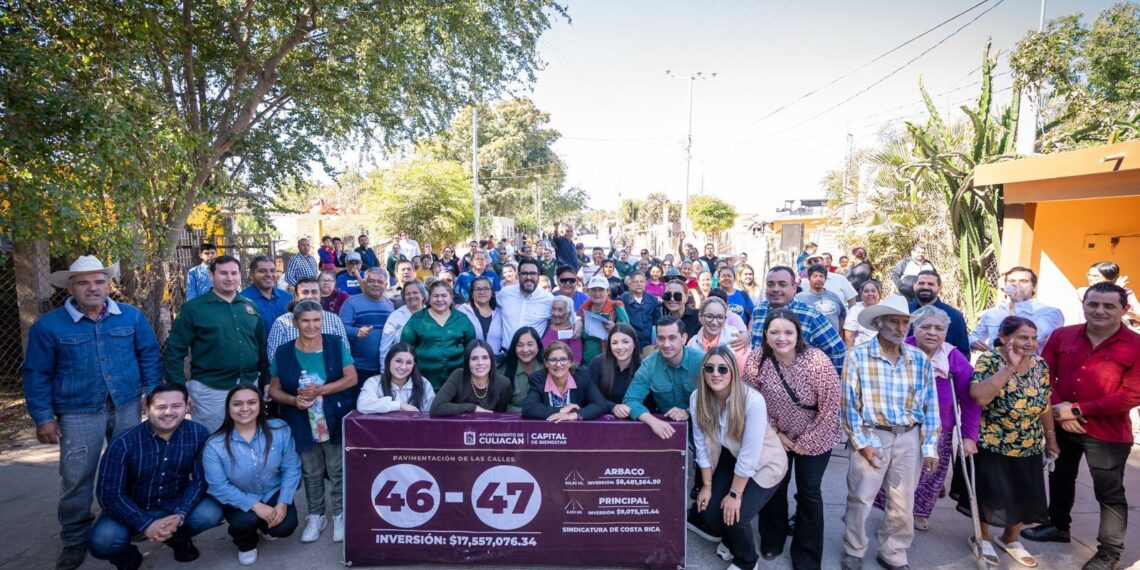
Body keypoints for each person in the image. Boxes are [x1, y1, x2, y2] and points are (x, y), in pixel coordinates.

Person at [22, 256, 162, 570]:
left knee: (131, 467)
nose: (93, 288)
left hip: (126, 403)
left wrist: (153, 393)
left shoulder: (131, 317)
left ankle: (132, 521)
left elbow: (149, 355)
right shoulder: (49, 326)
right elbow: (36, 373)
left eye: (99, 281)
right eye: (83, 282)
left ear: (109, 285)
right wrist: (43, 417)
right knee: (77, 477)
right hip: (77, 411)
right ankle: (75, 538)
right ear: (71, 287)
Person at [1021, 282, 1140, 570]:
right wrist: (1060, 411)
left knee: (1109, 493)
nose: (1100, 311)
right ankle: (1058, 526)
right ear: (1084, 305)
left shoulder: (1136, 346)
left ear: (1124, 309)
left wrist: (1076, 410)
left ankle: (1109, 554)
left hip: (1108, 433)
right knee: (1060, 478)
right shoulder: (1062, 336)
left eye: (1109, 306)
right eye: (1093, 304)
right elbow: (1042, 375)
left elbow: (1132, 394)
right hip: (1061, 425)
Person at [839, 295, 940, 570]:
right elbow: (848, 405)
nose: (900, 328)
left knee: (903, 501)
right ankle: (854, 548)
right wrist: (861, 443)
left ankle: (893, 552)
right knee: (861, 496)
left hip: (909, 436)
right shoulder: (858, 356)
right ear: (879, 323)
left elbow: (931, 405)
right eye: (894, 321)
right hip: (873, 433)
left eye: (905, 322)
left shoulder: (919, 359)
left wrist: (929, 446)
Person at [742, 309, 841, 569]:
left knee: (809, 492)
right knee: (774, 485)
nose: (781, 338)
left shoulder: (816, 361)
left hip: (816, 434)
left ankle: (806, 555)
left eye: (788, 332)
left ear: (798, 334)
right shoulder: (757, 360)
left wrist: (804, 442)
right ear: (765, 335)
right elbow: (749, 400)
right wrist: (775, 432)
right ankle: (772, 540)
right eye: (774, 332)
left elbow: (831, 407)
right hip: (775, 434)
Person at [89, 384, 222, 570]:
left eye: (176, 406)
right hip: (133, 506)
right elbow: (109, 494)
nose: (169, 412)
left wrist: (181, 513)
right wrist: (145, 523)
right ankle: (127, 557)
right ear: (146, 408)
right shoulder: (124, 443)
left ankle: (178, 538)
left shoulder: (198, 433)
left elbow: (200, 480)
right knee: (102, 541)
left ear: (187, 407)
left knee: (211, 512)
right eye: (160, 407)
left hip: (175, 503)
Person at [958, 316, 1057, 568]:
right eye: (1024, 337)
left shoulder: (1039, 364)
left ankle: (1010, 539)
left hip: (1029, 443)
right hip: (993, 440)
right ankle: (981, 537)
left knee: (1025, 493)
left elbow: (1044, 402)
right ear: (1004, 337)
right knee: (987, 494)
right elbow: (978, 397)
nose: (1030, 343)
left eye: (1034, 338)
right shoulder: (990, 360)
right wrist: (1009, 368)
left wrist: (1050, 437)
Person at [872, 305, 979, 531]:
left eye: (939, 328)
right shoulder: (900, 348)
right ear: (914, 328)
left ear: (946, 332)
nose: (932, 332)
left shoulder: (952, 356)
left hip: (939, 429)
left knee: (929, 476)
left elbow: (969, 399)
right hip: (900, 427)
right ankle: (893, 512)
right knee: (895, 474)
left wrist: (969, 436)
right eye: (925, 326)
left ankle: (919, 513)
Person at [268, 300, 358, 545]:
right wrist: (293, 400)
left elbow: (351, 378)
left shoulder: (335, 344)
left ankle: (340, 513)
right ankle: (317, 515)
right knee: (311, 471)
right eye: (305, 320)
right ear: (296, 322)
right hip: (300, 419)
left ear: (322, 320)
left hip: (333, 417)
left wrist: (321, 390)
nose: (311, 325)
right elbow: (274, 390)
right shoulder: (284, 352)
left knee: (337, 469)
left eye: (316, 320)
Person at [688, 346, 786, 570]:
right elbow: (700, 445)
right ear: (703, 371)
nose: (716, 373)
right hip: (733, 457)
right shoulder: (698, 398)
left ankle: (747, 560)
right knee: (711, 515)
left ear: (733, 371)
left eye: (723, 368)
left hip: (766, 463)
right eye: (709, 368)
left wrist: (734, 494)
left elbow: (750, 456)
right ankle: (729, 540)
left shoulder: (753, 400)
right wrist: (707, 485)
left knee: (736, 516)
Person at [164, 255, 268, 432]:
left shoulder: (249, 306)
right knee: (212, 439)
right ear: (211, 276)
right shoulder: (194, 309)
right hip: (211, 390)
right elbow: (174, 353)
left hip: (249, 385)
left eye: (234, 273)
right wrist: (179, 390)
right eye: (223, 273)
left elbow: (261, 348)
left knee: (247, 437)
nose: (230, 278)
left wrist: (266, 381)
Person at [203, 385, 301, 565]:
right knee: (245, 521)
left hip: (272, 491)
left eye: (252, 402)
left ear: (260, 404)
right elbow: (218, 486)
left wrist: (283, 502)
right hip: (240, 495)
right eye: (237, 404)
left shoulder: (279, 429)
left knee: (285, 526)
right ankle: (246, 543)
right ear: (228, 408)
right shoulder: (214, 445)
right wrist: (255, 505)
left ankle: (265, 527)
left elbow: (292, 468)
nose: (245, 409)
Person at [749, 266, 846, 374]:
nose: (776, 289)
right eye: (770, 284)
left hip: (800, 387)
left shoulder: (810, 315)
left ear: (794, 288)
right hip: (762, 383)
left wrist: (829, 381)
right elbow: (756, 347)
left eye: (782, 284)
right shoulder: (759, 310)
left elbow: (838, 350)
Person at [623, 316, 704, 440]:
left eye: (672, 338)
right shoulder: (649, 364)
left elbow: (717, 398)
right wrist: (652, 421)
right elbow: (630, 400)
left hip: (702, 427)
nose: (666, 344)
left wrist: (688, 412)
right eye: (661, 339)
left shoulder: (702, 361)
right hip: (665, 429)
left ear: (684, 338)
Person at [401, 280, 477, 390]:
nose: (440, 299)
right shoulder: (417, 319)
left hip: (457, 382)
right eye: (435, 296)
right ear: (429, 298)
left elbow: (471, 348)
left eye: (444, 296)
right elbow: (405, 349)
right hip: (424, 382)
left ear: (451, 298)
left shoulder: (462, 319)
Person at [970, 266, 1065, 354]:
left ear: (1034, 287)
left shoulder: (1050, 312)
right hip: (994, 367)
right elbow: (974, 336)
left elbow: (1028, 338)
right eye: (1012, 281)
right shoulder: (993, 313)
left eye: (1023, 281)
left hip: (1028, 368)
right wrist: (973, 342)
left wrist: (1019, 302)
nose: (1016, 285)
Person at [267, 277, 350, 365]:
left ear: (320, 295)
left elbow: (345, 352)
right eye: (305, 292)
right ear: (296, 295)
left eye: (314, 292)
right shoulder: (281, 322)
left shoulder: (334, 319)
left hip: (331, 374)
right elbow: (274, 358)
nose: (310, 296)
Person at [522, 341, 610, 421]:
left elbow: (600, 405)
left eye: (563, 359)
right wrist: (561, 410)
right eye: (553, 360)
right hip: (548, 433)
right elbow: (528, 408)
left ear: (570, 362)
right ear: (546, 363)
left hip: (578, 431)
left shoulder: (583, 376)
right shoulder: (538, 379)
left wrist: (574, 415)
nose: (558, 364)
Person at [429, 340, 513, 417]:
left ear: (491, 361)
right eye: (474, 359)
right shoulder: (458, 376)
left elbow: (501, 416)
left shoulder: (503, 384)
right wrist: (473, 408)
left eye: (485, 358)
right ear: (467, 362)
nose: (480, 363)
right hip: (459, 429)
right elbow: (435, 408)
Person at [339, 268, 394, 381]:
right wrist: (356, 332)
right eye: (371, 281)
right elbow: (340, 329)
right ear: (364, 282)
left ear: (386, 285)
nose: (375, 284)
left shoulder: (390, 305)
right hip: (358, 367)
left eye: (380, 282)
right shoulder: (351, 303)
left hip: (385, 367)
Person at [580, 324, 646, 418]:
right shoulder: (597, 363)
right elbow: (589, 397)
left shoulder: (643, 367)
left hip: (635, 421)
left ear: (634, 343)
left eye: (625, 342)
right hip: (601, 421)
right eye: (614, 343)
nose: (619, 347)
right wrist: (613, 407)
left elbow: (649, 402)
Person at [357, 343, 436, 413]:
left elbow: (430, 415)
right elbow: (363, 405)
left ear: (414, 365)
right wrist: (399, 405)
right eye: (398, 361)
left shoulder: (424, 383)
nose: (403, 367)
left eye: (409, 363)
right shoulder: (374, 382)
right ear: (389, 361)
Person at [909, 270, 970, 359]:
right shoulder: (904, 312)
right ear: (914, 286)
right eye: (921, 283)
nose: (925, 287)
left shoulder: (954, 316)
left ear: (939, 288)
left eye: (930, 284)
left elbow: (963, 352)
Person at [496, 259, 554, 352]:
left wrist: (578, 321)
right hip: (505, 354)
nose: (529, 277)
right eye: (524, 273)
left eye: (533, 273)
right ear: (518, 275)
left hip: (532, 356)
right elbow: (487, 304)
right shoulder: (505, 293)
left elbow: (565, 314)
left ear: (538, 276)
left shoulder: (548, 299)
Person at [578, 275, 631, 365]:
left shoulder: (617, 308)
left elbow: (629, 334)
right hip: (586, 365)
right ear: (588, 292)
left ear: (608, 291)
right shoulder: (583, 312)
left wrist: (615, 329)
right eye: (594, 289)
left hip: (610, 364)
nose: (597, 293)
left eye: (601, 290)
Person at [1077, 261, 1140, 330]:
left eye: (1095, 276)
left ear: (1109, 278)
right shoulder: (1083, 291)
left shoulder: (1126, 292)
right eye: (1089, 275)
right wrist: (1115, 290)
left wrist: (1126, 310)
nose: (1090, 278)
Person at [688, 297, 748, 369]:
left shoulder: (737, 342)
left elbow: (742, 377)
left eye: (720, 317)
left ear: (725, 319)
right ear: (700, 317)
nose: (714, 322)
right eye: (709, 316)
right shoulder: (692, 343)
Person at [241, 255, 293, 336]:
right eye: (262, 271)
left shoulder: (287, 298)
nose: (269, 275)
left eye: (272, 271)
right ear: (251, 275)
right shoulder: (242, 300)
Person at [377, 280, 426, 367]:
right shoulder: (395, 316)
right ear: (403, 297)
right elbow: (385, 348)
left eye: (415, 292)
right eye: (408, 294)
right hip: (402, 367)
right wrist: (384, 371)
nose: (411, 296)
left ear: (423, 295)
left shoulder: (432, 314)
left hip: (428, 367)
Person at [500, 327, 545, 412]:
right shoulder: (503, 370)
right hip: (512, 422)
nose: (525, 350)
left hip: (544, 421)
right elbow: (500, 405)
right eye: (520, 345)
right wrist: (527, 412)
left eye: (530, 344)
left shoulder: (548, 369)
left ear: (538, 346)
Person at [457, 276, 503, 355]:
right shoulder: (462, 311)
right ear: (471, 293)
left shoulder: (500, 312)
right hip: (471, 361)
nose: (482, 292)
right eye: (478, 289)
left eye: (485, 289)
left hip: (497, 362)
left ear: (492, 292)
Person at [795, 263, 847, 332]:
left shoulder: (833, 296)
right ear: (809, 278)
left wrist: (840, 336)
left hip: (832, 340)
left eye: (821, 276)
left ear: (825, 279)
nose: (818, 279)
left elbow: (842, 317)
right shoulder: (799, 298)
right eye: (815, 276)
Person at [620, 271, 660, 350]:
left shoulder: (652, 299)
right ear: (630, 284)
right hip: (630, 341)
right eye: (635, 282)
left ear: (645, 284)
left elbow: (658, 320)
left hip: (649, 342)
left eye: (641, 281)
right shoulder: (622, 299)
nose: (639, 284)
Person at [542, 296, 582, 364]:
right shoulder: (545, 325)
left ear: (568, 313)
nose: (556, 313)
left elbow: (575, 360)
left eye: (560, 310)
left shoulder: (573, 331)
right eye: (553, 309)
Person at [843, 279, 882, 349]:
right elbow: (849, 338)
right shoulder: (855, 310)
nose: (870, 294)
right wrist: (849, 356)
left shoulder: (885, 309)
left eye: (873, 291)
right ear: (861, 295)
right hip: (862, 352)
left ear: (879, 294)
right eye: (866, 291)